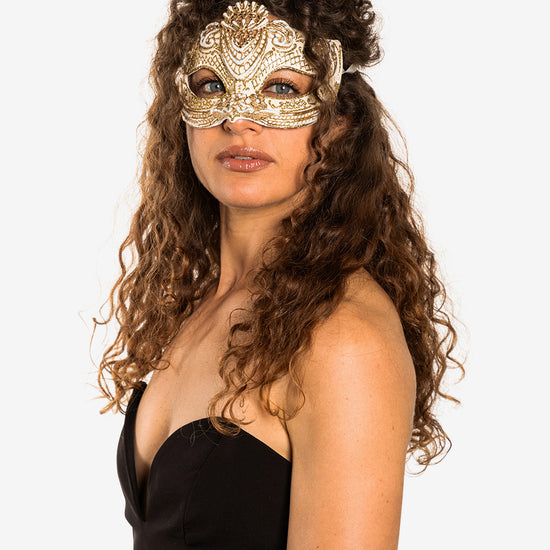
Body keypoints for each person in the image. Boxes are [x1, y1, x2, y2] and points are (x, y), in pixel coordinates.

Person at [96, 1, 463, 548]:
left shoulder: (343, 339)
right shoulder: (205, 306)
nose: (238, 120)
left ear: (339, 122)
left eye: (281, 88)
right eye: (212, 84)